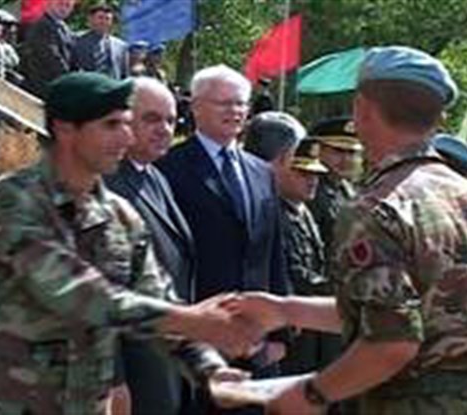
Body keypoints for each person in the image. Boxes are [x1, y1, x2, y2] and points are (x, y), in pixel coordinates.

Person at [0, 72, 263, 415]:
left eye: (128, 124)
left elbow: (155, 295)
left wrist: (211, 369)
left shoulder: (120, 214)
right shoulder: (14, 200)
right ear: (66, 129)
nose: (126, 136)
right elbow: (78, 293)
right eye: (111, 125)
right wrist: (192, 319)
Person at [228, 46, 467, 415]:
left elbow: (392, 342)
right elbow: (404, 309)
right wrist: (285, 309)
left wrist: (310, 394)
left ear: (362, 109)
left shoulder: (377, 208)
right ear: (439, 118)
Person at [158, 64, 291, 414]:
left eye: (240, 104)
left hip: (258, 337)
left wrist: (280, 332)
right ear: (196, 107)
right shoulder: (169, 169)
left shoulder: (261, 171)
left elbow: (273, 252)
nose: (234, 111)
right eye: (224, 103)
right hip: (198, 334)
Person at [104, 77, 199, 415]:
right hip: (134, 372)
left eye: (171, 120)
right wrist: (113, 381)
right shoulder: (106, 185)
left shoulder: (155, 176)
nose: (164, 129)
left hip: (167, 362)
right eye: (151, 119)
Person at [244, 111, 335, 375]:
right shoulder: (269, 211)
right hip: (284, 327)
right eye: (302, 171)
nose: (312, 179)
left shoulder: (301, 210)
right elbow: (292, 273)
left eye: (315, 173)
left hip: (309, 328)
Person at [305, 116, 363, 258]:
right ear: (318, 151)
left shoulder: (347, 189)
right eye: (338, 151)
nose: (346, 159)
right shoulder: (310, 190)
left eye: (352, 152)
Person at [20, 0, 76, 98]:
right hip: (39, 86)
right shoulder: (42, 25)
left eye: (68, 5)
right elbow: (50, 56)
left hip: (57, 86)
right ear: (49, 3)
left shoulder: (65, 29)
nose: (63, 8)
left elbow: (72, 56)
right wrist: (70, 77)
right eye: (60, 3)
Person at [72, 3, 129, 79]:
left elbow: (124, 74)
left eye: (107, 19)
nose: (104, 22)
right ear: (90, 19)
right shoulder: (76, 40)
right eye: (100, 18)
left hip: (112, 87)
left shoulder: (121, 46)